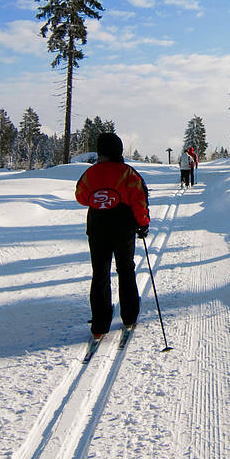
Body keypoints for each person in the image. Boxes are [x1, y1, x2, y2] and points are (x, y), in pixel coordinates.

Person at [75, 133, 150, 340]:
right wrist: (143, 224)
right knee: (126, 270)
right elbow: (139, 200)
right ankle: (129, 317)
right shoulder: (127, 173)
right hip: (123, 229)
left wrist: (100, 198)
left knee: (100, 274)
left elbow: (81, 197)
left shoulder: (90, 174)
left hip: (97, 229)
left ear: (101, 152)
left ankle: (99, 325)